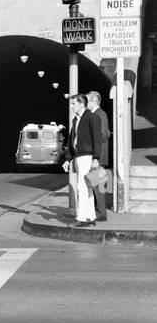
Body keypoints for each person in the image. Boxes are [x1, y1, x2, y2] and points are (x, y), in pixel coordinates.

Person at [72, 95, 101, 226]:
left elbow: (97, 138)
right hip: (79, 155)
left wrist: (96, 157)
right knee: (87, 187)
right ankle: (91, 216)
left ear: (81, 104)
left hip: (87, 156)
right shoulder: (76, 119)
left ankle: (81, 218)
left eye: (73, 103)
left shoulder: (91, 117)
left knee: (82, 187)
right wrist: (68, 158)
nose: (71, 106)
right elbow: (71, 138)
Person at [85, 91, 111, 222]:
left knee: (97, 185)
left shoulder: (100, 114)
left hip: (99, 157)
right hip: (98, 156)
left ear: (93, 101)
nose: (85, 103)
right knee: (96, 184)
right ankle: (99, 211)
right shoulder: (96, 114)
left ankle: (101, 213)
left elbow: (103, 134)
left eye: (87, 101)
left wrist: (91, 147)